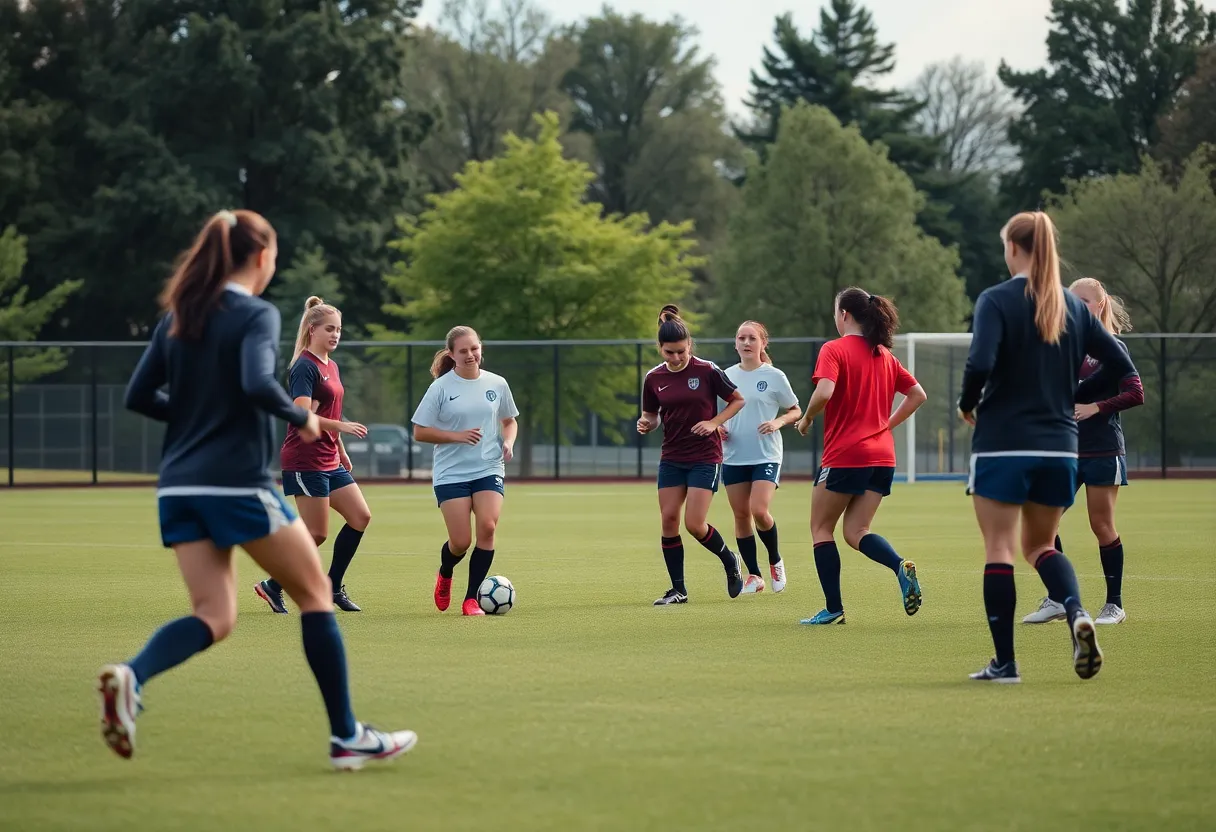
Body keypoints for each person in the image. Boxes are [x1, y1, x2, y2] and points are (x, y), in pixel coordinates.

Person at [102, 209, 415, 769]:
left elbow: (139, 396)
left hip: (178, 488)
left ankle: (133, 675)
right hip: (235, 485)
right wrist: (308, 421)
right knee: (316, 594)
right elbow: (255, 383)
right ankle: (347, 737)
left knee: (215, 615)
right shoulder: (255, 314)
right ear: (263, 258)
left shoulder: (178, 315)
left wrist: (195, 417)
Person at [960, 211, 1136, 684]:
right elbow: (1120, 364)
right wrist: (1073, 395)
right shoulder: (1074, 307)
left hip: (1002, 443)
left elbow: (980, 362)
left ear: (1013, 248)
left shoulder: (996, 298)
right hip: (1061, 446)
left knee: (1000, 546)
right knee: (1040, 545)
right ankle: (1077, 612)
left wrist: (967, 403)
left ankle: (1006, 664)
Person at [794, 288, 927, 625]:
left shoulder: (834, 349)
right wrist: (886, 425)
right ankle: (899, 565)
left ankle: (834, 609)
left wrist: (807, 418)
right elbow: (917, 395)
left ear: (844, 315)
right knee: (856, 531)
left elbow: (824, 392)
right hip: (883, 458)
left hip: (845, 455)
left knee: (821, 529)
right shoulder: (884, 354)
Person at [1023, 277, 1143, 626]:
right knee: (1042, 524)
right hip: (1064, 450)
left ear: (1100, 305)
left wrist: (1097, 407)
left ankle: (1114, 606)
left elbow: (1136, 393)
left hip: (1102, 449)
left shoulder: (1113, 348)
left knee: (1101, 524)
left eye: (1084, 301)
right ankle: (1058, 598)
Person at [254, 296, 373, 614]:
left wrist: (340, 448)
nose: (335, 335)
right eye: (329, 329)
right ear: (311, 330)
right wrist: (341, 428)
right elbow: (301, 414)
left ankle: (333, 587)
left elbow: (333, 409)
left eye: (339, 329)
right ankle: (273, 584)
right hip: (304, 460)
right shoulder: (303, 366)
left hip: (329, 458)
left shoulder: (331, 365)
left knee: (360, 517)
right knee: (316, 534)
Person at [638, 305, 747, 606]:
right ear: (660, 348)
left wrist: (714, 422)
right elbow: (652, 415)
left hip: (704, 457)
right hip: (671, 456)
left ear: (689, 345)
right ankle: (678, 590)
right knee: (669, 520)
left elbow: (738, 400)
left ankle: (729, 560)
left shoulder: (707, 370)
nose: (675, 358)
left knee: (695, 524)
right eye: (669, 352)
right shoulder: (653, 378)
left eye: (681, 352)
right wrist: (647, 423)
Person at [412, 326, 519, 617]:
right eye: (463, 351)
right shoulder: (441, 388)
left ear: (480, 348)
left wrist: (508, 442)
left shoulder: (497, 384)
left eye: (474, 348)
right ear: (452, 354)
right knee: (461, 541)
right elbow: (419, 432)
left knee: (488, 527)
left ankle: (471, 599)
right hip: (451, 472)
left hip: (488, 466)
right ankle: (445, 572)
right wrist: (456, 436)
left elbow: (509, 421)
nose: (470, 355)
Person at [720, 321, 802, 593]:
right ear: (735, 343)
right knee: (741, 515)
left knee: (759, 510)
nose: (746, 343)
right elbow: (716, 411)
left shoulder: (774, 375)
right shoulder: (725, 375)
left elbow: (795, 410)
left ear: (762, 343)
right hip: (733, 455)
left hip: (766, 454)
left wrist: (778, 423)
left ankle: (775, 560)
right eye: (741, 338)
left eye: (752, 338)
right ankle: (754, 576)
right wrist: (718, 426)